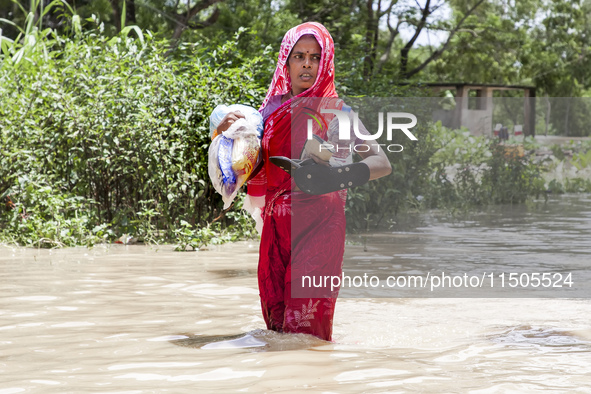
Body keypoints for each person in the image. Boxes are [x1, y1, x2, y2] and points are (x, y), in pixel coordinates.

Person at [217, 22, 391, 341]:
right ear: (287, 61)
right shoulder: (267, 112)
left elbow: (382, 162)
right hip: (276, 230)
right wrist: (227, 134)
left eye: (315, 56)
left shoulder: (337, 111)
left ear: (325, 63)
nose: (307, 64)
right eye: (299, 56)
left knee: (305, 332)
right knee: (277, 328)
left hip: (321, 226)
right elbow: (244, 165)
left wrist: (335, 176)